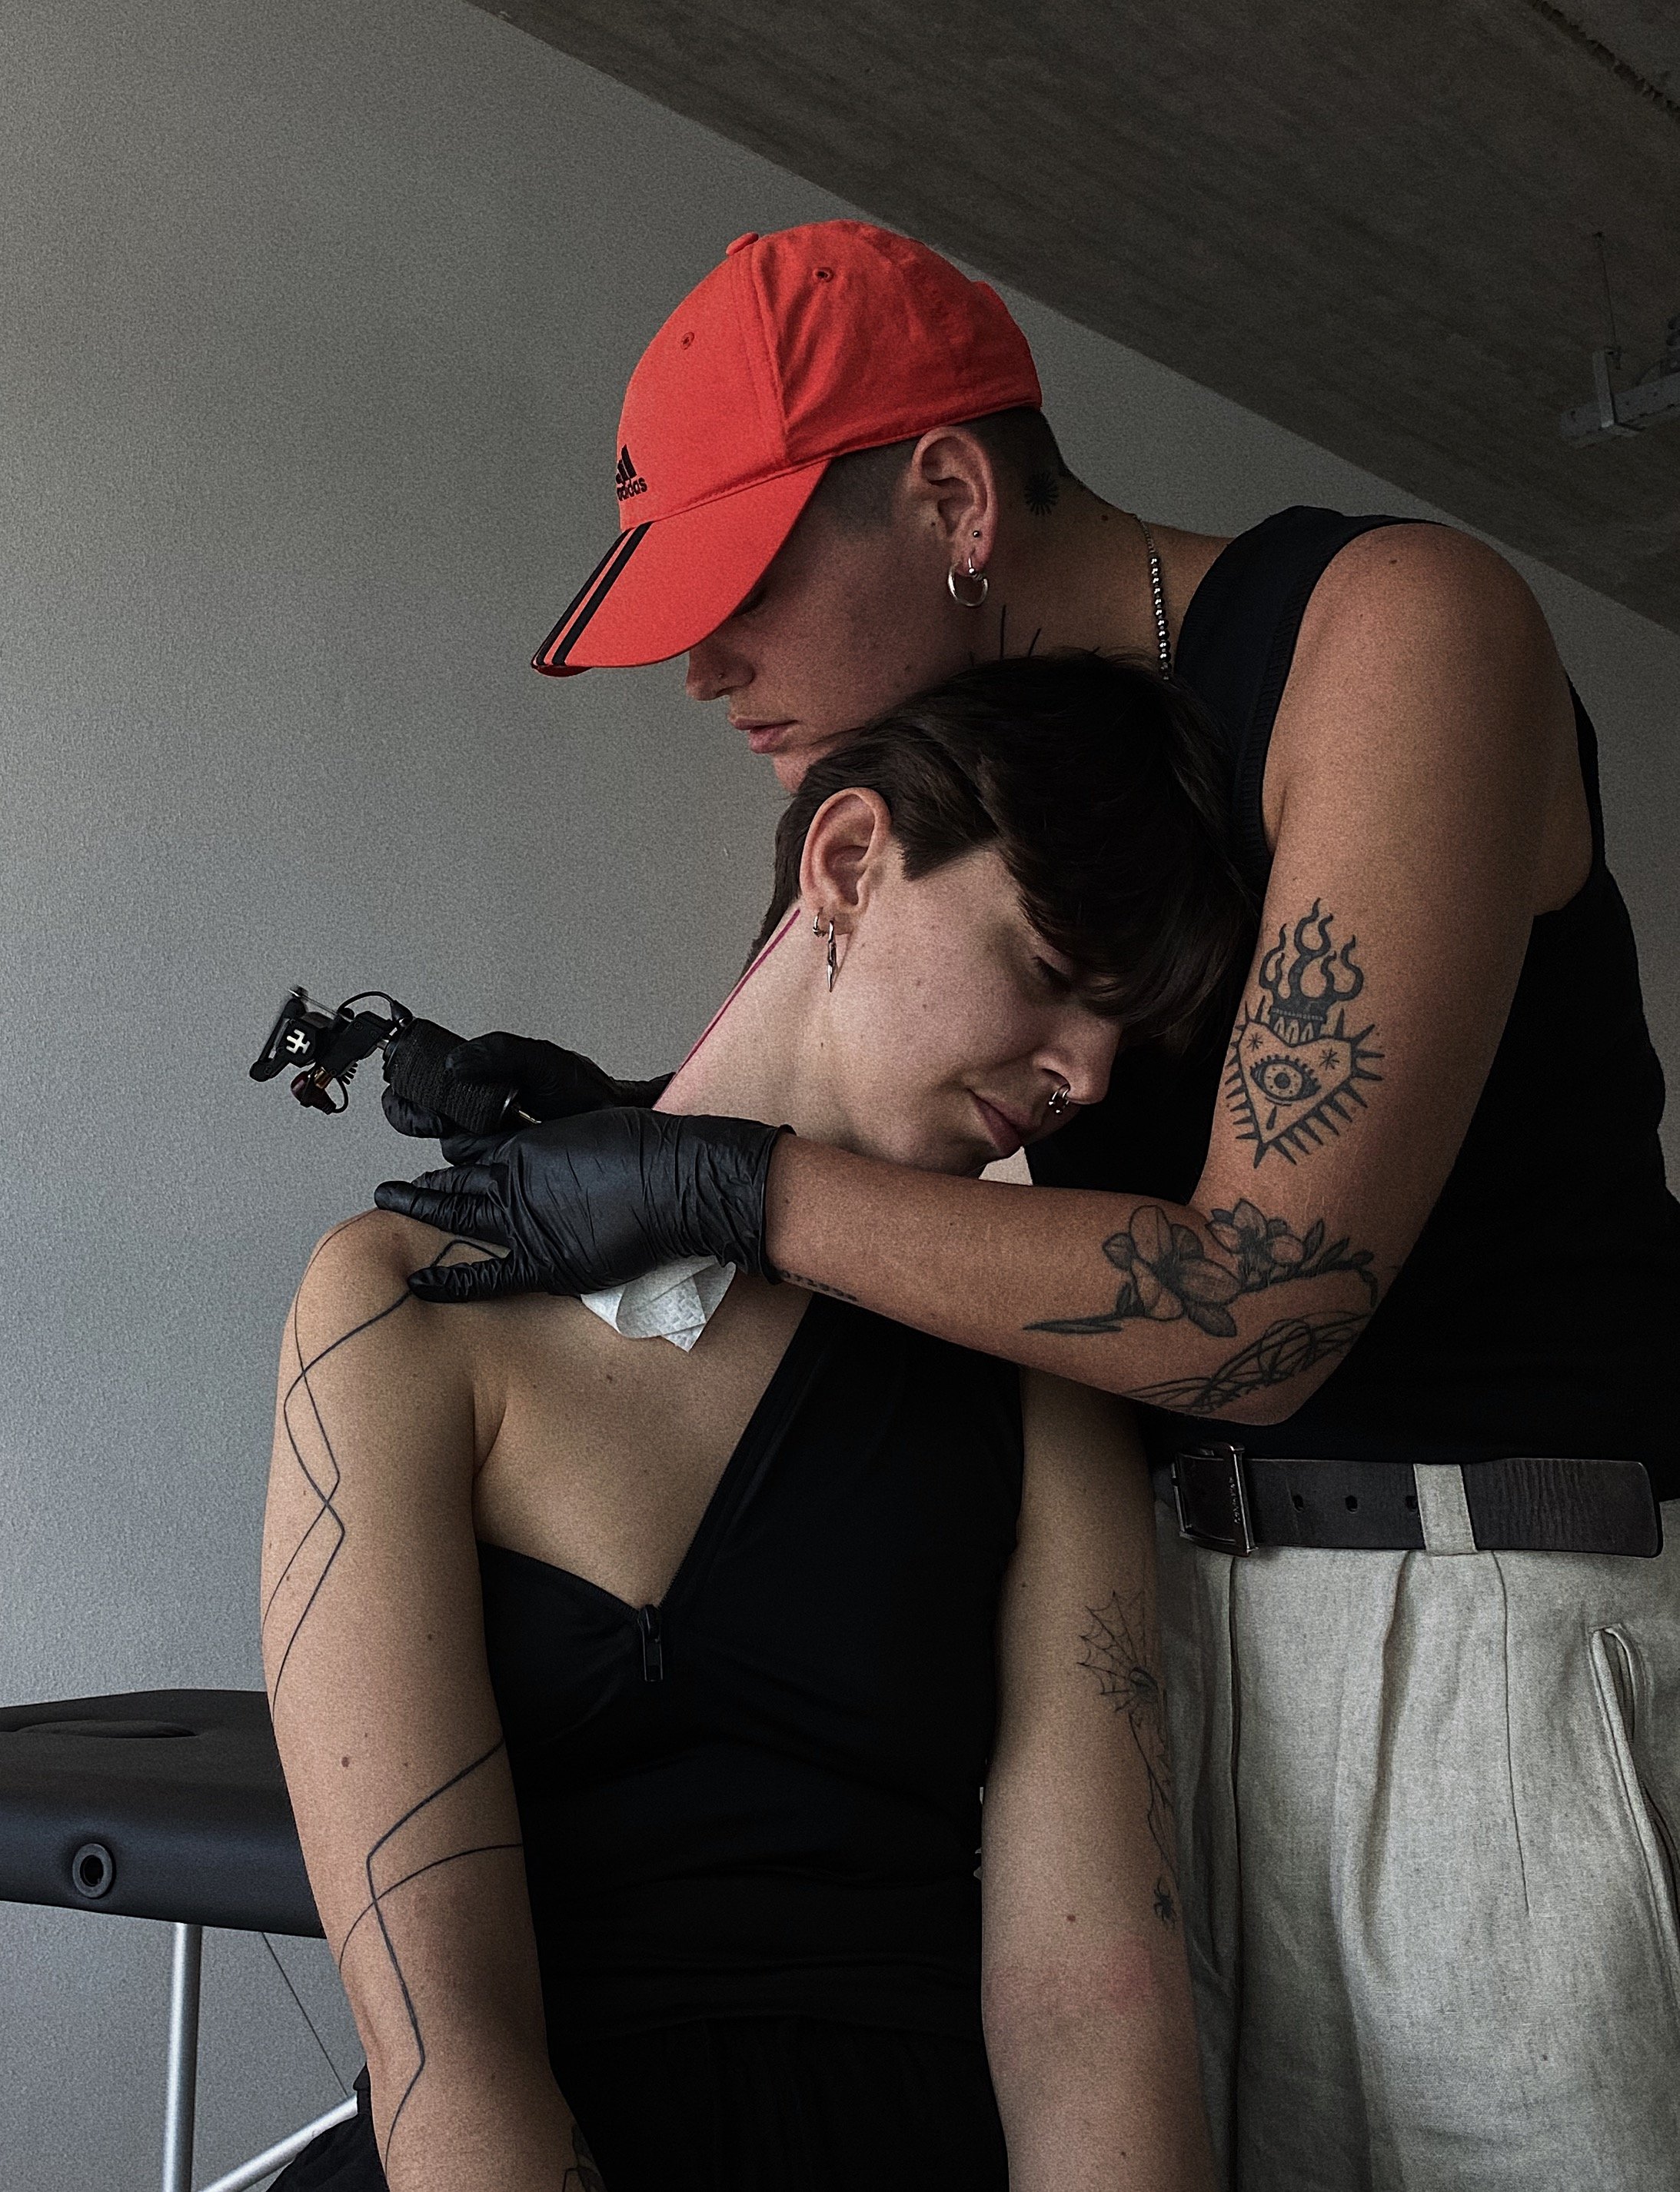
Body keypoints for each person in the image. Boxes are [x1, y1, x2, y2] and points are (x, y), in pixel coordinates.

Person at [378, 221, 1680, 2192]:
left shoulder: (1393, 632)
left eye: (743, 590)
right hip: (1127, 1656)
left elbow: (1265, 1300)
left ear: (953, 500)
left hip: (1472, 1652)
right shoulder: (934, 803)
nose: (706, 667)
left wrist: (725, 1184)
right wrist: (614, 1126)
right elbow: (844, 1175)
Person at [265, 657, 1232, 2192]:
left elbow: (1093, 2013)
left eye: (1126, 1035)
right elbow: (447, 2037)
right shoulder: (404, 1302)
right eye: (1052, 966)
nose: (1089, 1075)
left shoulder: (1033, 1376)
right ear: (848, 862)